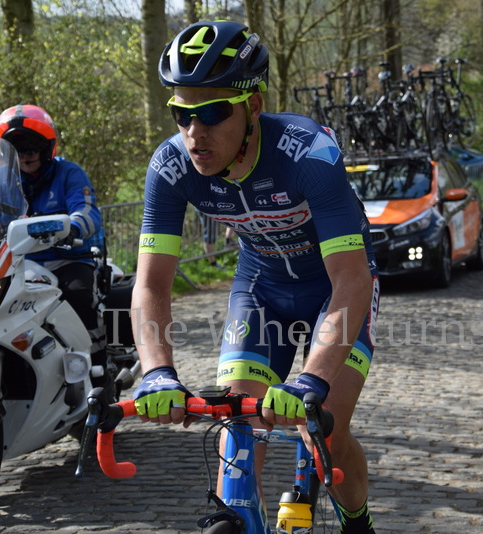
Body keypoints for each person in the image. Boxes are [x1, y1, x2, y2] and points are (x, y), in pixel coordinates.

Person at [131, 20, 379, 534]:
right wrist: (157, 371)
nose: (194, 133)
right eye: (182, 115)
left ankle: (357, 520)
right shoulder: (171, 166)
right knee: (237, 421)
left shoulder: (309, 153)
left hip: (334, 290)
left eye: (212, 113)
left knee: (324, 430)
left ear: (253, 107)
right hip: (260, 287)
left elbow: (351, 279)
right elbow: (151, 286)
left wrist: (311, 379)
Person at [0, 105, 112, 398]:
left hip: (66, 259)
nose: (26, 153)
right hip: (16, 265)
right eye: (17, 147)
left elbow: (86, 211)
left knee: (79, 296)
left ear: (47, 147)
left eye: (32, 145)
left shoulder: (68, 172)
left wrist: (72, 227)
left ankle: (99, 374)